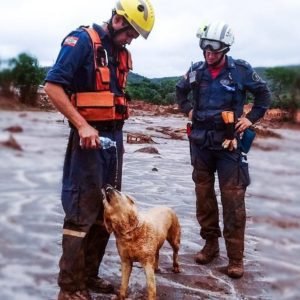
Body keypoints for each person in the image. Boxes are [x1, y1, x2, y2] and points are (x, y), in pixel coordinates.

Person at [44, 1, 155, 299]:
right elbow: (52, 87)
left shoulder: (120, 52)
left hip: (113, 142)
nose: (132, 39)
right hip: (87, 142)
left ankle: (88, 276)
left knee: (108, 212)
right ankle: (69, 287)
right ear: (118, 20)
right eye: (131, 32)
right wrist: (81, 125)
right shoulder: (81, 41)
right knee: (81, 212)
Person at [176, 21, 271, 278]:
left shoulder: (240, 70)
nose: (209, 54)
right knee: (204, 197)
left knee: (233, 200)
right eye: (205, 49)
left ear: (226, 49)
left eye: (215, 50)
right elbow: (179, 91)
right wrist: (189, 110)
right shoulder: (196, 71)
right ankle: (210, 245)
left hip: (229, 144)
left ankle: (235, 258)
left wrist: (250, 119)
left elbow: (264, 96)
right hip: (200, 143)